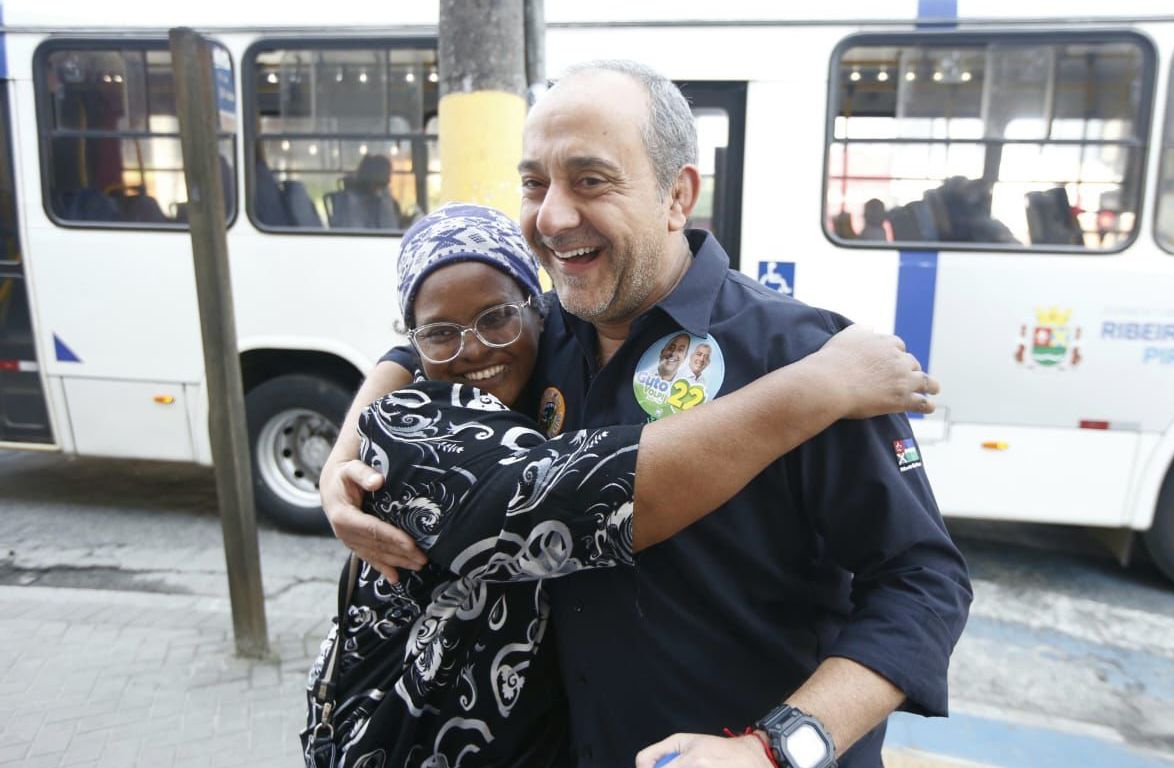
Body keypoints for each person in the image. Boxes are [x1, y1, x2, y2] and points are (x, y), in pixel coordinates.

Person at [323, 60, 971, 768]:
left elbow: (924, 584)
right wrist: (340, 461)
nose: (552, 216)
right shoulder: (535, 334)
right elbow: (425, 345)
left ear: (677, 195)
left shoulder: (806, 357)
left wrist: (778, 747)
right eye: (535, 183)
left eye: (590, 180)